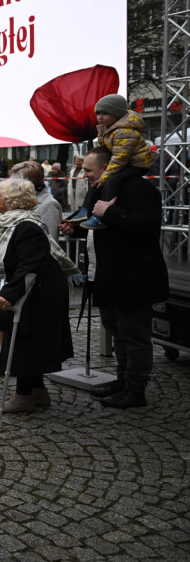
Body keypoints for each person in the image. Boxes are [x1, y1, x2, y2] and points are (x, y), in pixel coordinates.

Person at [61, 147, 168, 408]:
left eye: (88, 170)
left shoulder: (138, 188)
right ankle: (123, 381)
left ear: (107, 166)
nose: (84, 175)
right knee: (117, 331)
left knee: (133, 335)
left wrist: (108, 213)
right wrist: (76, 230)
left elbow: (148, 225)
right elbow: (102, 229)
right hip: (106, 275)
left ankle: (135, 391)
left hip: (133, 278)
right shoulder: (102, 189)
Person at [0, 178, 77, 412]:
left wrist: (8, 294)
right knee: (29, 342)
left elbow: (29, 264)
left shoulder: (26, 226)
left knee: (25, 341)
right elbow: (3, 254)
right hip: (32, 290)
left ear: (9, 201)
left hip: (39, 293)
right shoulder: (12, 222)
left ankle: (24, 396)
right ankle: (38, 391)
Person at [74, 95, 156, 230]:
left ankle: (101, 215)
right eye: (98, 113)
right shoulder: (106, 128)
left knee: (112, 180)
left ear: (117, 113)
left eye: (105, 113)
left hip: (137, 164)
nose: (100, 117)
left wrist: (106, 175)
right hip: (123, 161)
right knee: (96, 183)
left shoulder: (124, 131)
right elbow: (106, 150)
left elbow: (120, 157)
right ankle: (85, 210)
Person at [0, 160, 63, 244]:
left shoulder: (49, 205)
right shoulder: (20, 199)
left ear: (28, 183)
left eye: (15, 181)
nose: (11, 184)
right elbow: (5, 224)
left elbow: (50, 244)